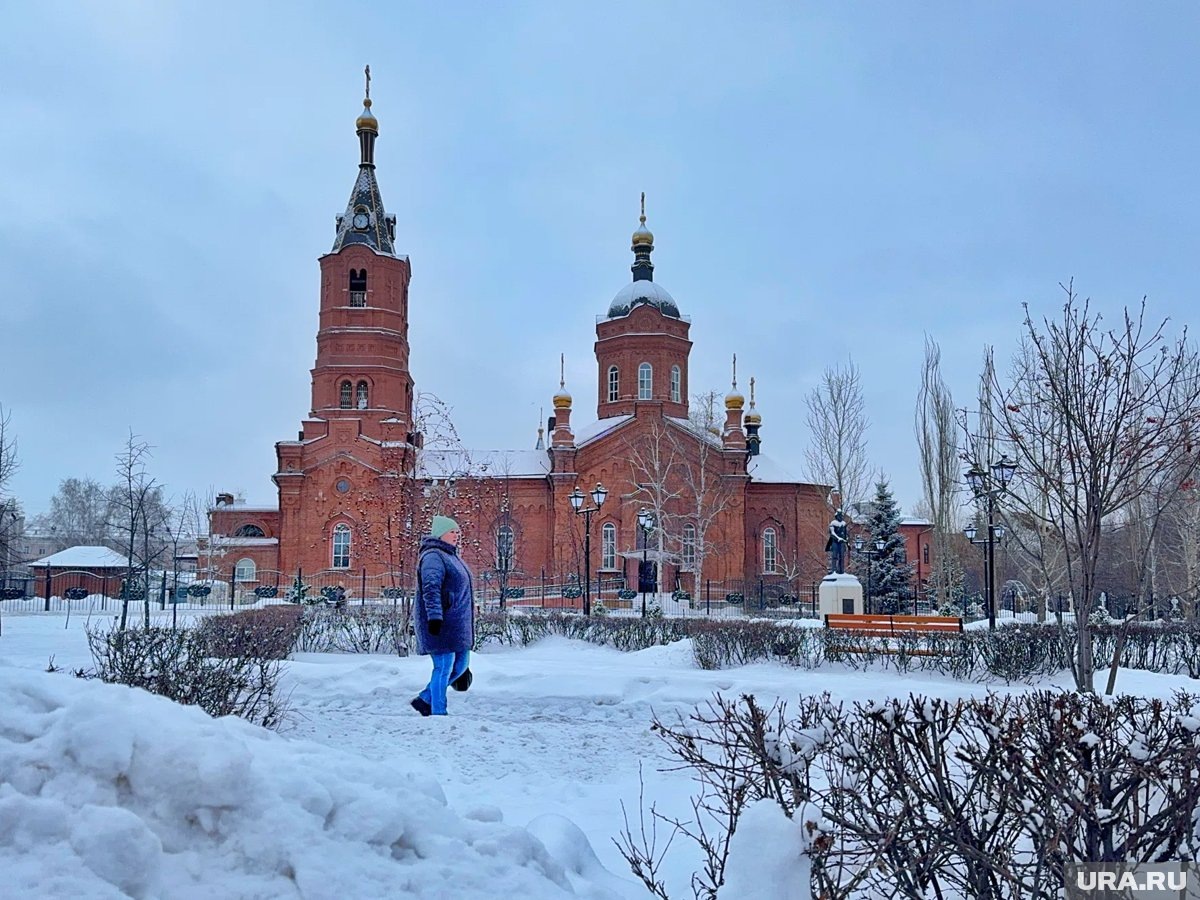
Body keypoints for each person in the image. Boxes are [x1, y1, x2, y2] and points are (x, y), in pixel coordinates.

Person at [411, 515, 474, 717]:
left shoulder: (452, 556)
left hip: (457, 624)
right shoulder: (432, 556)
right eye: (452, 532)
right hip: (440, 623)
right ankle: (439, 711)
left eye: (458, 532)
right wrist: (435, 617)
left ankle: (425, 699)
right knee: (443, 667)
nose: (457, 536)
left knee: (461, 666)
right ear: (441, 534)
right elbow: (431, 588)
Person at [825, 509, 848, 574]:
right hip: (835, 542)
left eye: (841, 515)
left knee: (842, 557)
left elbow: (846, 534)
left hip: (842, 543)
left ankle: (841, 570)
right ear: (836, 516)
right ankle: (833, 570)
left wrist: (846, 541)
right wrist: (838, 538)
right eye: (839, 515)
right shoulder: (833, 523)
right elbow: (832, 533)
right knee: (834, 556)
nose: (840, 517)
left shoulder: (844, 524)